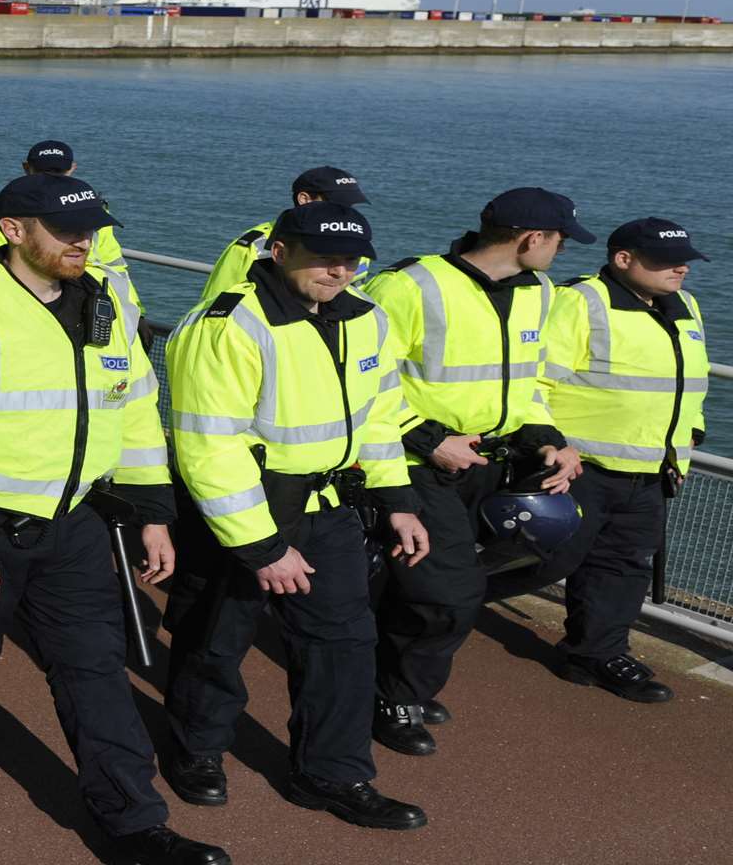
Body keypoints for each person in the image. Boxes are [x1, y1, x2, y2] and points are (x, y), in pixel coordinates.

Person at [0, 174, 226, 865]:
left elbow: (132, 407)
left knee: (95, 669)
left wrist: (153, 511)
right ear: (12, 229)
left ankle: (133, 821)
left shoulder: (103, 298)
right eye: (66, 230)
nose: (84, 241)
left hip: (74, 525)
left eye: (91, 228)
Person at [161, 203, 428, 831]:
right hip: (240, 516)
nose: (338, 270)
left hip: (330, 510)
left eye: (351, 259)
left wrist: (398, 501)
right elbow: (209, 447)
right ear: (278, 252)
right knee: (214, 639)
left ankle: (332, 775)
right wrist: (260, 546)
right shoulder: (227, 326)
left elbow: (380, 420)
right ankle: (197, 750)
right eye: (321, 256)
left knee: (343, 645)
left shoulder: (368, 320)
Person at [363, 187, 589, 755]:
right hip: (419, 464)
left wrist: (549, 438)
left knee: (556, 552)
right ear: (531, 239)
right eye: (560, 241)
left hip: (496, 462)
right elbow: (361, 378)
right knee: (446, 592)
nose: (561, 253)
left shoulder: (538, 290)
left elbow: (525, 380)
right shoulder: (409, 285)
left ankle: (400, 660)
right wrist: (428, 437)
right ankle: (396, 695)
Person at [538, 218, 710, 703]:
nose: (681, 269)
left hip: (652, 469)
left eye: (686, 261)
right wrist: (549, 443)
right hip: (578, 467)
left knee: (625, 566)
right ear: (623, 259)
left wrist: (689, 434)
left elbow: (689, 381)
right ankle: (429, 625)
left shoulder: (686, 305)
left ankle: (597, 653)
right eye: (665, 261)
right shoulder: (582, 301)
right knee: (543, 562)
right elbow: (539, 379)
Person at [199, 166, 373, 304]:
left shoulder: (357, 244)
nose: (344, 212)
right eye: (337, 203)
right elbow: (216, 306)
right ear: (304, 199)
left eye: (350, 205)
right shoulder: (254, 247)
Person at [0, 141, 130, 280]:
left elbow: (112, 261)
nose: (84, 243)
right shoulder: (7, 207)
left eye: (58, 171)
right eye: (42, 172)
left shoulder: (93, 208)